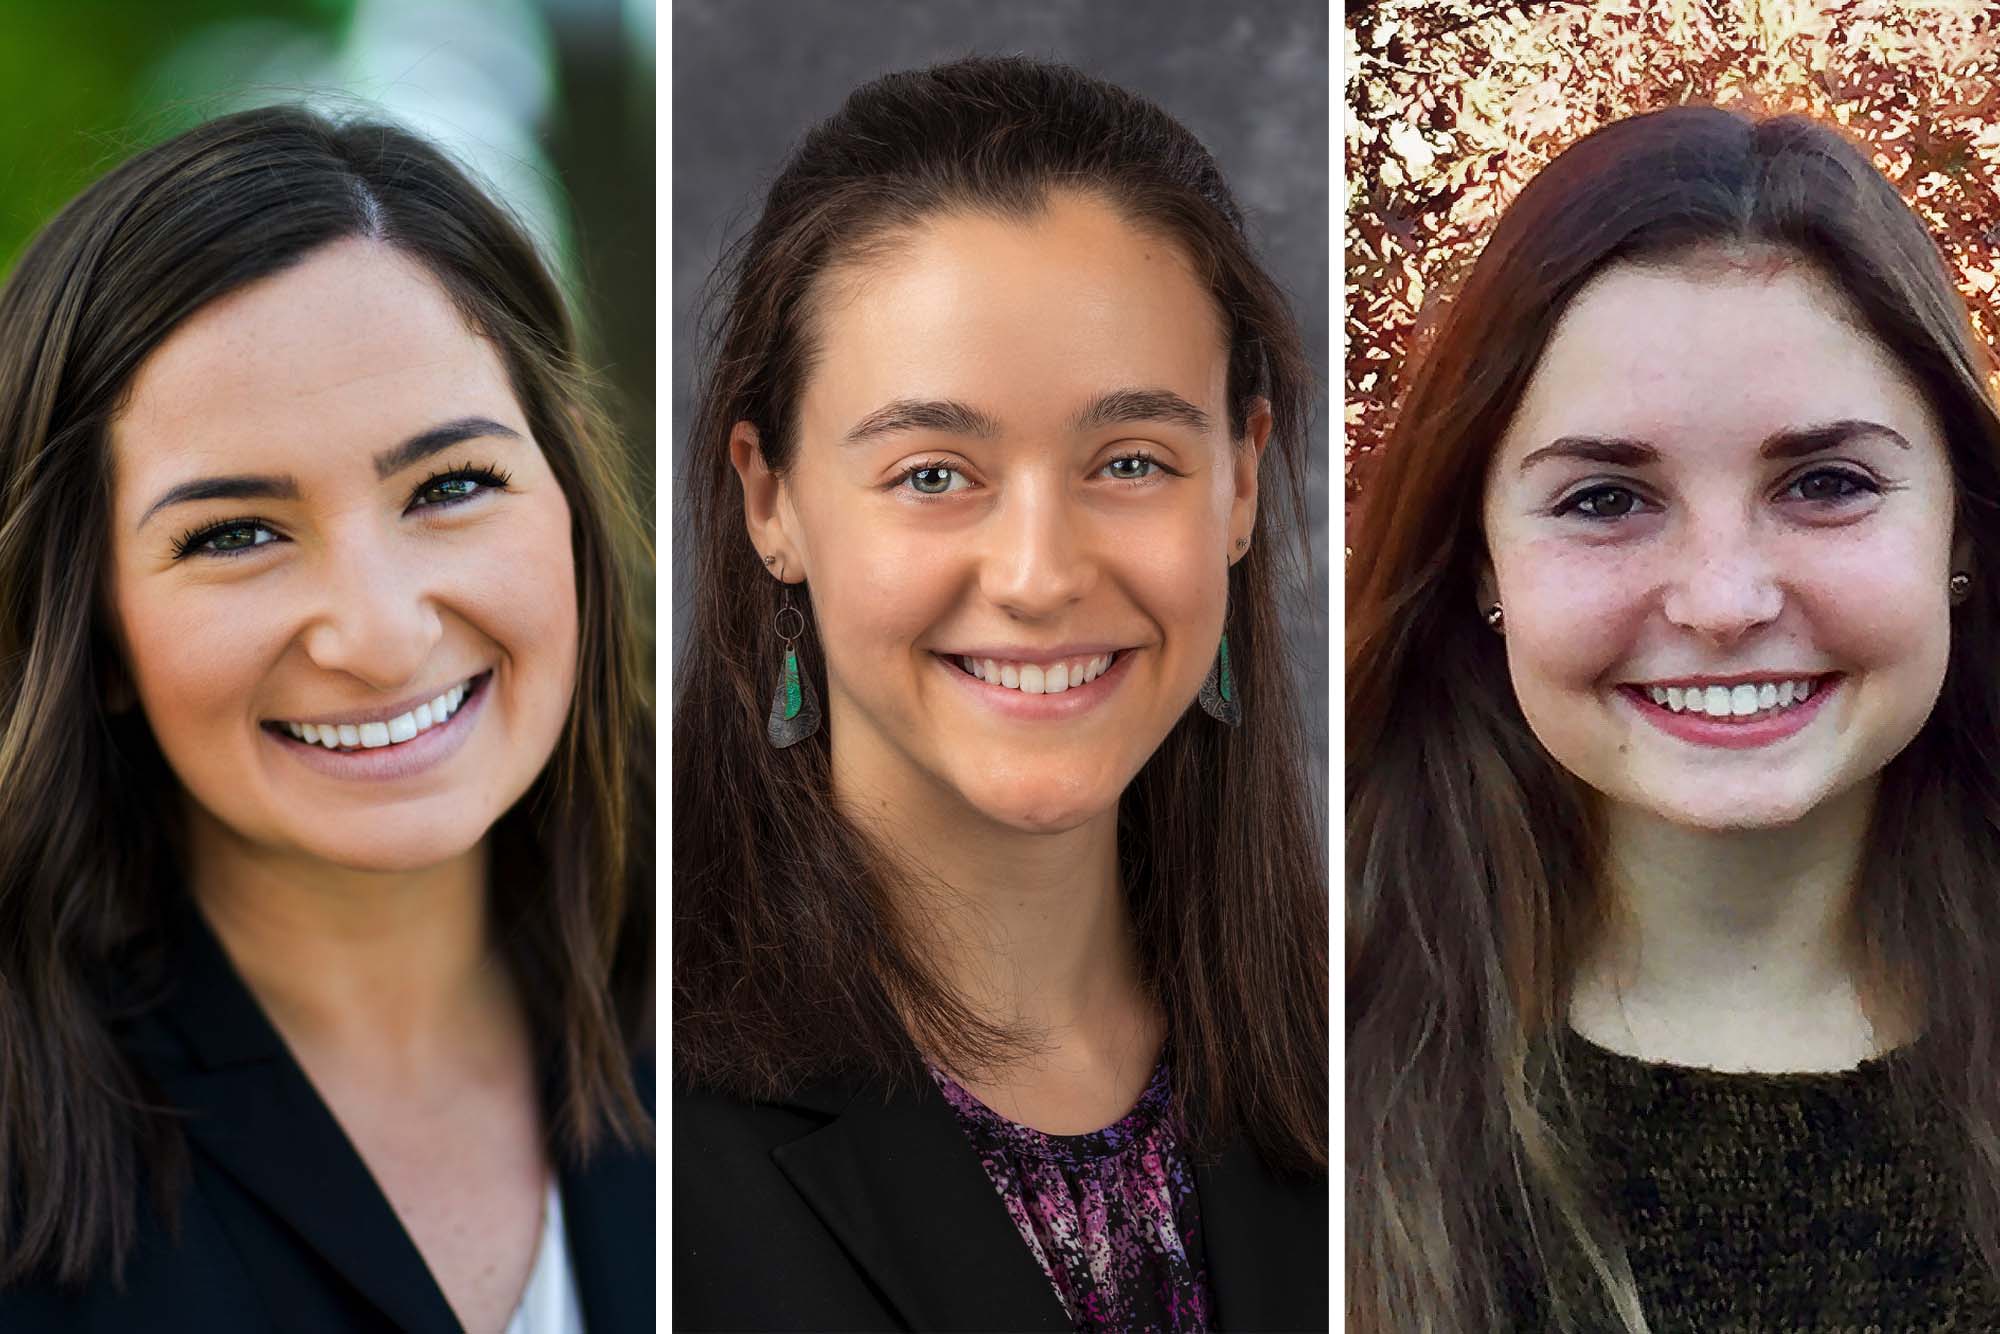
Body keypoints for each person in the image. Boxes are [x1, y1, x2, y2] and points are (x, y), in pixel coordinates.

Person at [672, 55, 1328, 1333]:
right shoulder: (644, 1122)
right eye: (933, 473)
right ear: (771, 500)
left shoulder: (1360, 1064)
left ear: (1239, 484)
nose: (1038, 575)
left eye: (1128, 459)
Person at [0, 106, 655, 1333]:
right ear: (91, 633)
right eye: (234, 533)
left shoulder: (756, 1007)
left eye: (451, 485)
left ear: (565, 499)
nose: (381, 633)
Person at [1348, 102, 2000, 1331]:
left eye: (1824, 484)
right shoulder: (1292, 1060)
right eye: (1602, 498)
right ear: (1481, 565)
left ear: (1958, 531)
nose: (1720, 601)